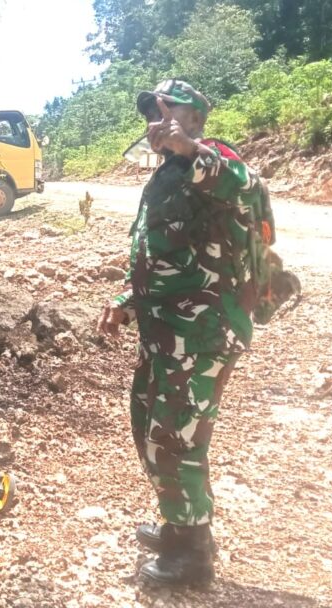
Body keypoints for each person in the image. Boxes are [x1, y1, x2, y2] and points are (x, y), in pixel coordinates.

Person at [97, 79, 267, 586]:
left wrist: (191, 150)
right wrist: (126, 301)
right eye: (152, 110)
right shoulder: (169, 175)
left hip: (201, 331)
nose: (158, 117)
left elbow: (247, 184)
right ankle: (180, 523)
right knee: (152, 423)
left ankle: (192, 555)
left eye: (170, 110)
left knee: (176, 436)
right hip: (164, 330)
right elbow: (161, 254)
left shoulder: (213, 162)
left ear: (196, 118)